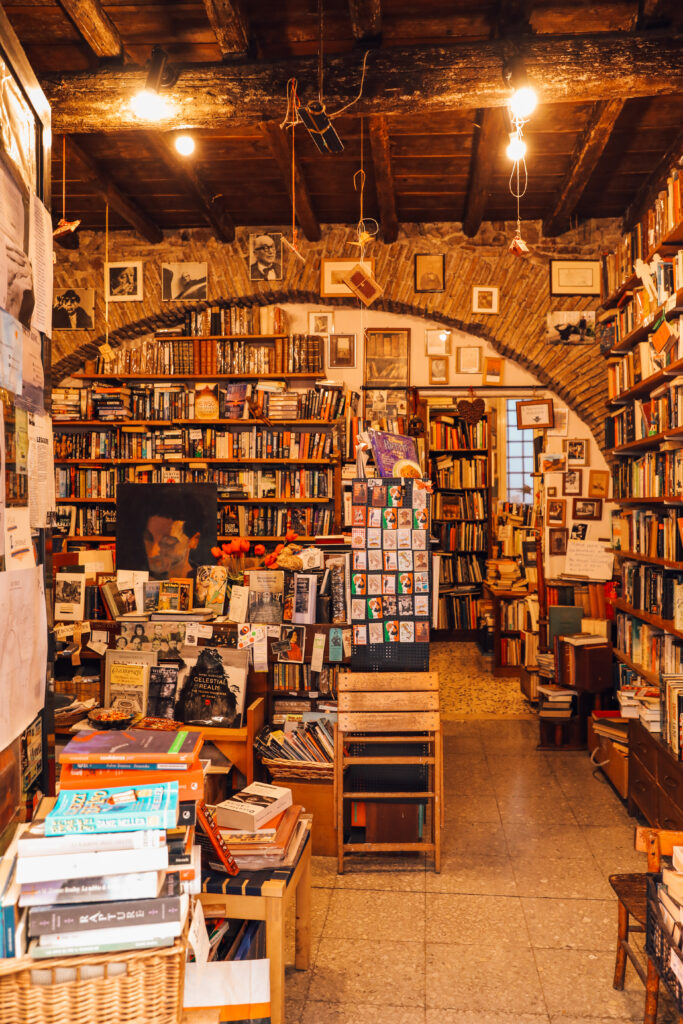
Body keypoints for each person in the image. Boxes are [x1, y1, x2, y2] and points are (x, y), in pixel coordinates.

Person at [142, 491, 205, 581]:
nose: (153, 553)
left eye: (168, 542)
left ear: (194, 541)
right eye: (148, 538)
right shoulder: (139, 580)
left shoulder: (204, 585)